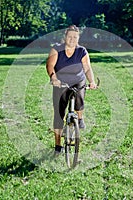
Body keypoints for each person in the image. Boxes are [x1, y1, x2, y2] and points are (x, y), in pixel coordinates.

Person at [46, 25, 97, 155]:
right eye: (70, 37)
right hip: (60, 83)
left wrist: (91, 81)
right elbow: (50, 65)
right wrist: (54, 78)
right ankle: (58, 146)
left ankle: (79, 119)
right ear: (65, 37)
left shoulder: (82, 51)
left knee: (79, 96)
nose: (72, 39)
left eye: (75, 37)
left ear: (78, 38)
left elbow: (87, 68)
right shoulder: (56, 49)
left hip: (77, 80)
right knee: (58, 114)